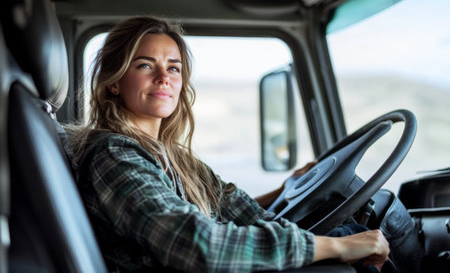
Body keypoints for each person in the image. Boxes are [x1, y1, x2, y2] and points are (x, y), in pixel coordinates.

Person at [68, 16, 392, 273]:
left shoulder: (174, 156)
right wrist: (335, 248)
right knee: (380, 229)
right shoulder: (115, 154)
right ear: (113, 81)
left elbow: (238, 208)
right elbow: (196, 245)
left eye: (174, 68)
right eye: (144, 65)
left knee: (365, 229)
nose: (163, 77)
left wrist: (294, 199)